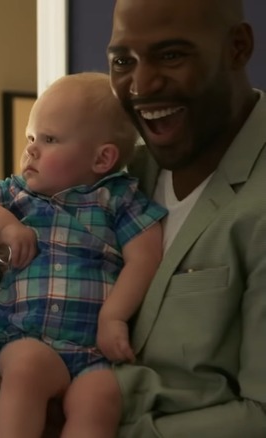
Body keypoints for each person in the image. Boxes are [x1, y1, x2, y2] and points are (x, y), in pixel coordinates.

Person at [0, 72, 167, 437]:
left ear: (102, 158)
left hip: (92, 350)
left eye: (49, 139)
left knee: (102, 396)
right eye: (31, 137)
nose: (31, 149)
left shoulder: (118, 199)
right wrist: (6, 225)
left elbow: (146, 255)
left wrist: (113, 317)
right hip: (28, 338)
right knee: (27, 370)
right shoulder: (20, 195)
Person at [105, 0, 266, 436]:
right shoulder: (117, 180)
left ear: (237, 47)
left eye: (171, 55)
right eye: (123, 61)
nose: (140, 84)